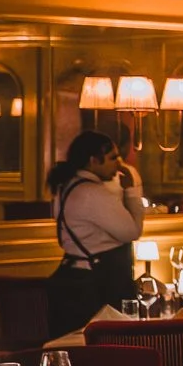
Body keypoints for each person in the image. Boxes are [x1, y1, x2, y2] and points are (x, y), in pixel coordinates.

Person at [46, 130, 144, 336]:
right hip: (96, 284)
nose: (119, 164)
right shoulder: (93, 193)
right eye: (112, 158)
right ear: (93, 160)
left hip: (72, 276)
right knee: (105, 344)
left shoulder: (66, 187)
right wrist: (132, 192)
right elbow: (131, 232)